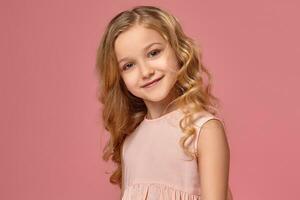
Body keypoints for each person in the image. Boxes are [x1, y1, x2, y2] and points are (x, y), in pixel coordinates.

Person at [95, 5, 233, 200]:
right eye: (129, 65)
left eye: (153, 53)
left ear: (178, 50)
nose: (145, 72)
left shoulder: (204, 130)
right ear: (119, 78)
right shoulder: (130, 141)